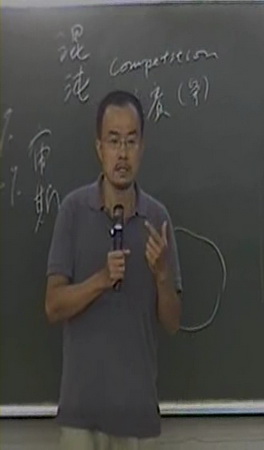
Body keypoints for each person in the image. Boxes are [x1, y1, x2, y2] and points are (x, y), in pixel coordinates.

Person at [45, 90, 182, 450]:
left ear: (142, 147)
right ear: (99, 148)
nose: (122, 154)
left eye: (131, 141)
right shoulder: (73, 211)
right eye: (114, 140)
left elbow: (172, 323)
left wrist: (162, 275)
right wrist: (100, 281)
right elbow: (53, 306)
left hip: (137, 416)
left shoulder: (157, 219)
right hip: (81, 415)